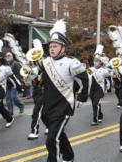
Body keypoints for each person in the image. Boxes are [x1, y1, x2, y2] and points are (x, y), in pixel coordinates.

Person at [39, 20, 89, 162]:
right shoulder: (46, 62)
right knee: (58, 134)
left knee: (52, 139)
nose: (52, 49)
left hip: (63, 107)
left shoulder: (71, 63)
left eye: (55, 46)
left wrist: (81, 97)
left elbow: (85, 79)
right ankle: (69, 156)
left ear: (63, 48)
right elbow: (39, 78)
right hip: (48, 106)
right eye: (50, 46)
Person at [0, 39, 22, 132]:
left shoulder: (6, 68)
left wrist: (19, 87)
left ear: (1, 59)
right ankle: (9, 118)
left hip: (2, 90)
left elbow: (13, 78)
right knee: (0, 107)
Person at [88, 44, 111, 126]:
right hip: (92, 90)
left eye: (97, 61)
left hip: (99, 89)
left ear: (101, 62)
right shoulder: (91, 69)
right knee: (95, 103)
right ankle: (100, 115)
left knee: (95, 103)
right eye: (94, 60)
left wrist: (107, 62)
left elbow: (110, 72)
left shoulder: (103, 70)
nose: (95, 62)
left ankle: (95, 120)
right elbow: (86, 76)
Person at [4, 51, 25, 116]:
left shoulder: (15, 64)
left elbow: (19, 74)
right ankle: (10, 113)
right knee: (8, 99)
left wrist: (19, 83)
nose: (8, 57)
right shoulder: (5, 65)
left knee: (13, 97)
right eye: (6, 56)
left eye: (9, 55)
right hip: (8, 84)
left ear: (12, 56)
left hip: (15, 84)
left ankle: (21, 105)